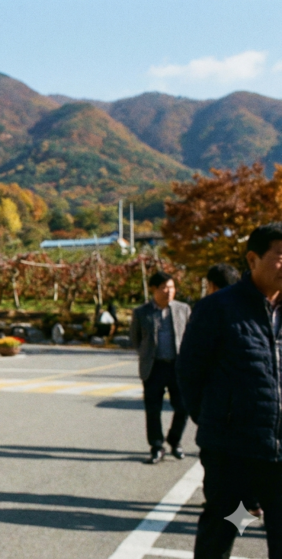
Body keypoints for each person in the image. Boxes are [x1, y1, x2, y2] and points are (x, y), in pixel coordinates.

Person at [178, 223, 282, 558]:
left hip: (280, 454)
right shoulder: (218, 308)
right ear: (252, 259)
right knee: (223, 531)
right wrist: (218, 421)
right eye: (280, 256)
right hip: (233, 453)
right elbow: (190, 374)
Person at [129, 271, 191, 465]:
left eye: (171, 287)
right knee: (153, 410)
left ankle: (174, 439)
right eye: (164, 287)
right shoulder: (141, 312)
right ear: (154, 289)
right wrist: (146, 354)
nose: (168, 291)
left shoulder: (183, 309)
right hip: (153, 367)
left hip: (178, 367)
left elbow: (191, 335)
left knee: (184, 406)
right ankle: (156, 446)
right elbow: (135, 338)